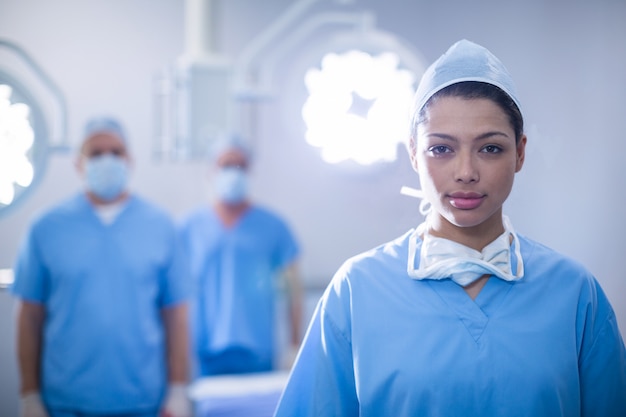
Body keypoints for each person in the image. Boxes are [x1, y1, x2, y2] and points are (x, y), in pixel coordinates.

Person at [273, 39, 626, 416]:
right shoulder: (358, 289)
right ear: (412, 152)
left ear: (520, 152)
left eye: (490, 148)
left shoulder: (573, 293)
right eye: (441, 149)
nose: (466, 173)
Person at [12, 117, 193, 417]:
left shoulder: (160, 226)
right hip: (65, 401)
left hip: (143, 400)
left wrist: (177, 389)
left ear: (130, 160)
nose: (106, 160)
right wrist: (29, 394)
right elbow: (29, 316)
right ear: (78, 163)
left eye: (116, 152)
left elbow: (176, 316)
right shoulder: (46, 228)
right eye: (95, 153)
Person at [179, 134, 303, 377]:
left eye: (240, 165)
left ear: (250, 171)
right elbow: (173, 297)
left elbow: (293, 292)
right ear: (211, 171)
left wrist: (294, 345)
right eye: (225, 165)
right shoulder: (188, 227)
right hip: (203, 353)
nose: (233, 171)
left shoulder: (274, 226)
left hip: (257, 351)